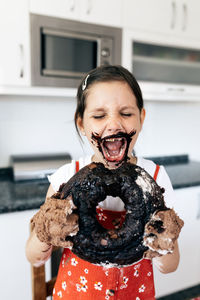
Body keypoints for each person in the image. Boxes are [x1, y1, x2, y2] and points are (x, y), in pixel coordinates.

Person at [26, 65, 180, 300]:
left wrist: (162, 241)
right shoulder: (67, 179)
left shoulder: (156, 178)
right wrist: (48, 229)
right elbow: (34, 256)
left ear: (142, 117)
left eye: (126, 114)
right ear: (82, 124)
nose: (114, 124)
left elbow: (170, 265)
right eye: (99, 116)